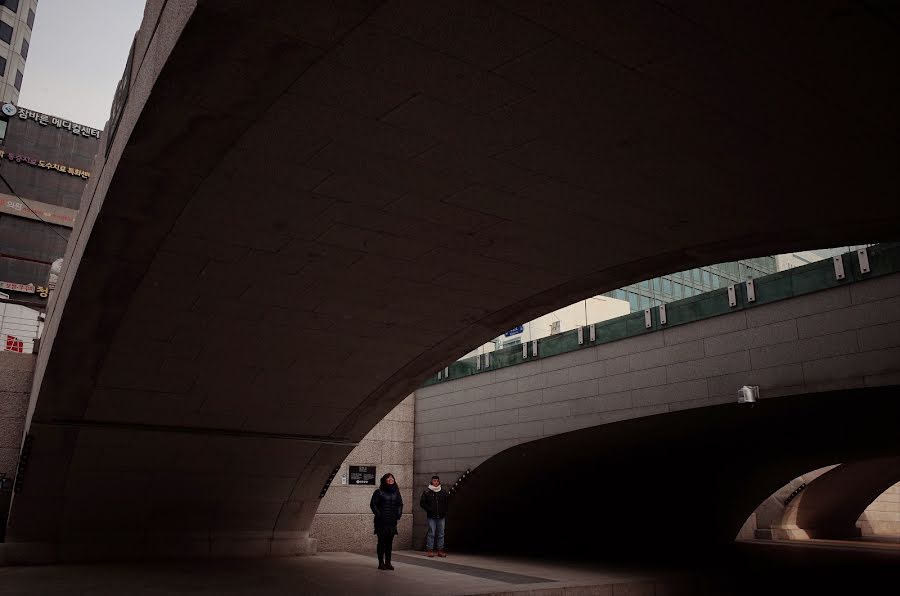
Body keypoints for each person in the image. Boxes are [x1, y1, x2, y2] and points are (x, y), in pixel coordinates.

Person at [370, 472, 403, 570]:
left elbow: (400, 504)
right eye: (388, 478)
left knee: (389, 543)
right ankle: (381, 563)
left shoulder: (396, 492)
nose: (390, 479)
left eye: (392, 478)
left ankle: (388, 562)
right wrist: (379, 514)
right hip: (381, 522)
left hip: (392, 521)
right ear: (384, 480)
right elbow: (373, 504)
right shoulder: (379, 492)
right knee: (381, 542)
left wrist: (398, 514)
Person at [419, 474, 449, 557]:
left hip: (441, 516)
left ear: (439, 482)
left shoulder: (443, 492)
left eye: (437, 481)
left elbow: (447, 503)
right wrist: (429, 510)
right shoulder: (427, 492)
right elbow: (422, 503)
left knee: (441, 534)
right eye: (434, 481)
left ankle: (440, 550)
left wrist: (444, 510)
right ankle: (430, 550)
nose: (435, 482)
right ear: (431, 482)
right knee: (431, 533)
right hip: (431, 516)